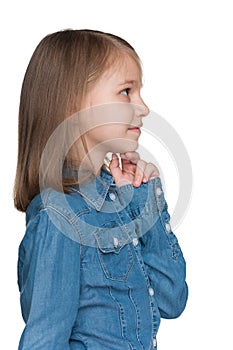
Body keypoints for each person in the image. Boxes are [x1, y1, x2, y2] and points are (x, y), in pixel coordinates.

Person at [14, 29, 188, 350]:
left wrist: (143, 199)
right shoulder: (60, 217)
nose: (143, 107)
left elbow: (172, 297)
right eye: (126, 91)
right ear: (73, 105)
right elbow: (43, 342)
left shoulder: (117, 203)